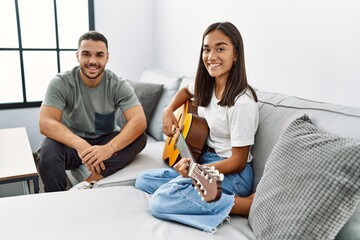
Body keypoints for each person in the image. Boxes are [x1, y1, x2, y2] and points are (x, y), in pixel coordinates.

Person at [135, 22, 259, 233]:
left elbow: (238, 162)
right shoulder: (207, 85)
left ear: (236, 54)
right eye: (206, 49)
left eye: (220, 49)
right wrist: (168, 111)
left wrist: (195, 171)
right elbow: (184, 91)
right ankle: (194, 190)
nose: (211, 56)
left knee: (161, 201)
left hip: (232, 175)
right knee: (143, 179)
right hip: (205, 161)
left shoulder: (242, 103)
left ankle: (243, 205)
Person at [37, 31, 147, 192]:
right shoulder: (60, 82)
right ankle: (57, 198)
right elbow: (45, 122)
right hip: (72, 144)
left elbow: (139, 120)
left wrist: (108, 149)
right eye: (86, 54)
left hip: (104, 140)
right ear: (77, 56)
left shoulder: (118, 84)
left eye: (99, 55)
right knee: (46, 153)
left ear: (107, 57)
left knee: (140, 138)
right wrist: (81, 145)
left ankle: (88, 182)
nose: (93, 61)